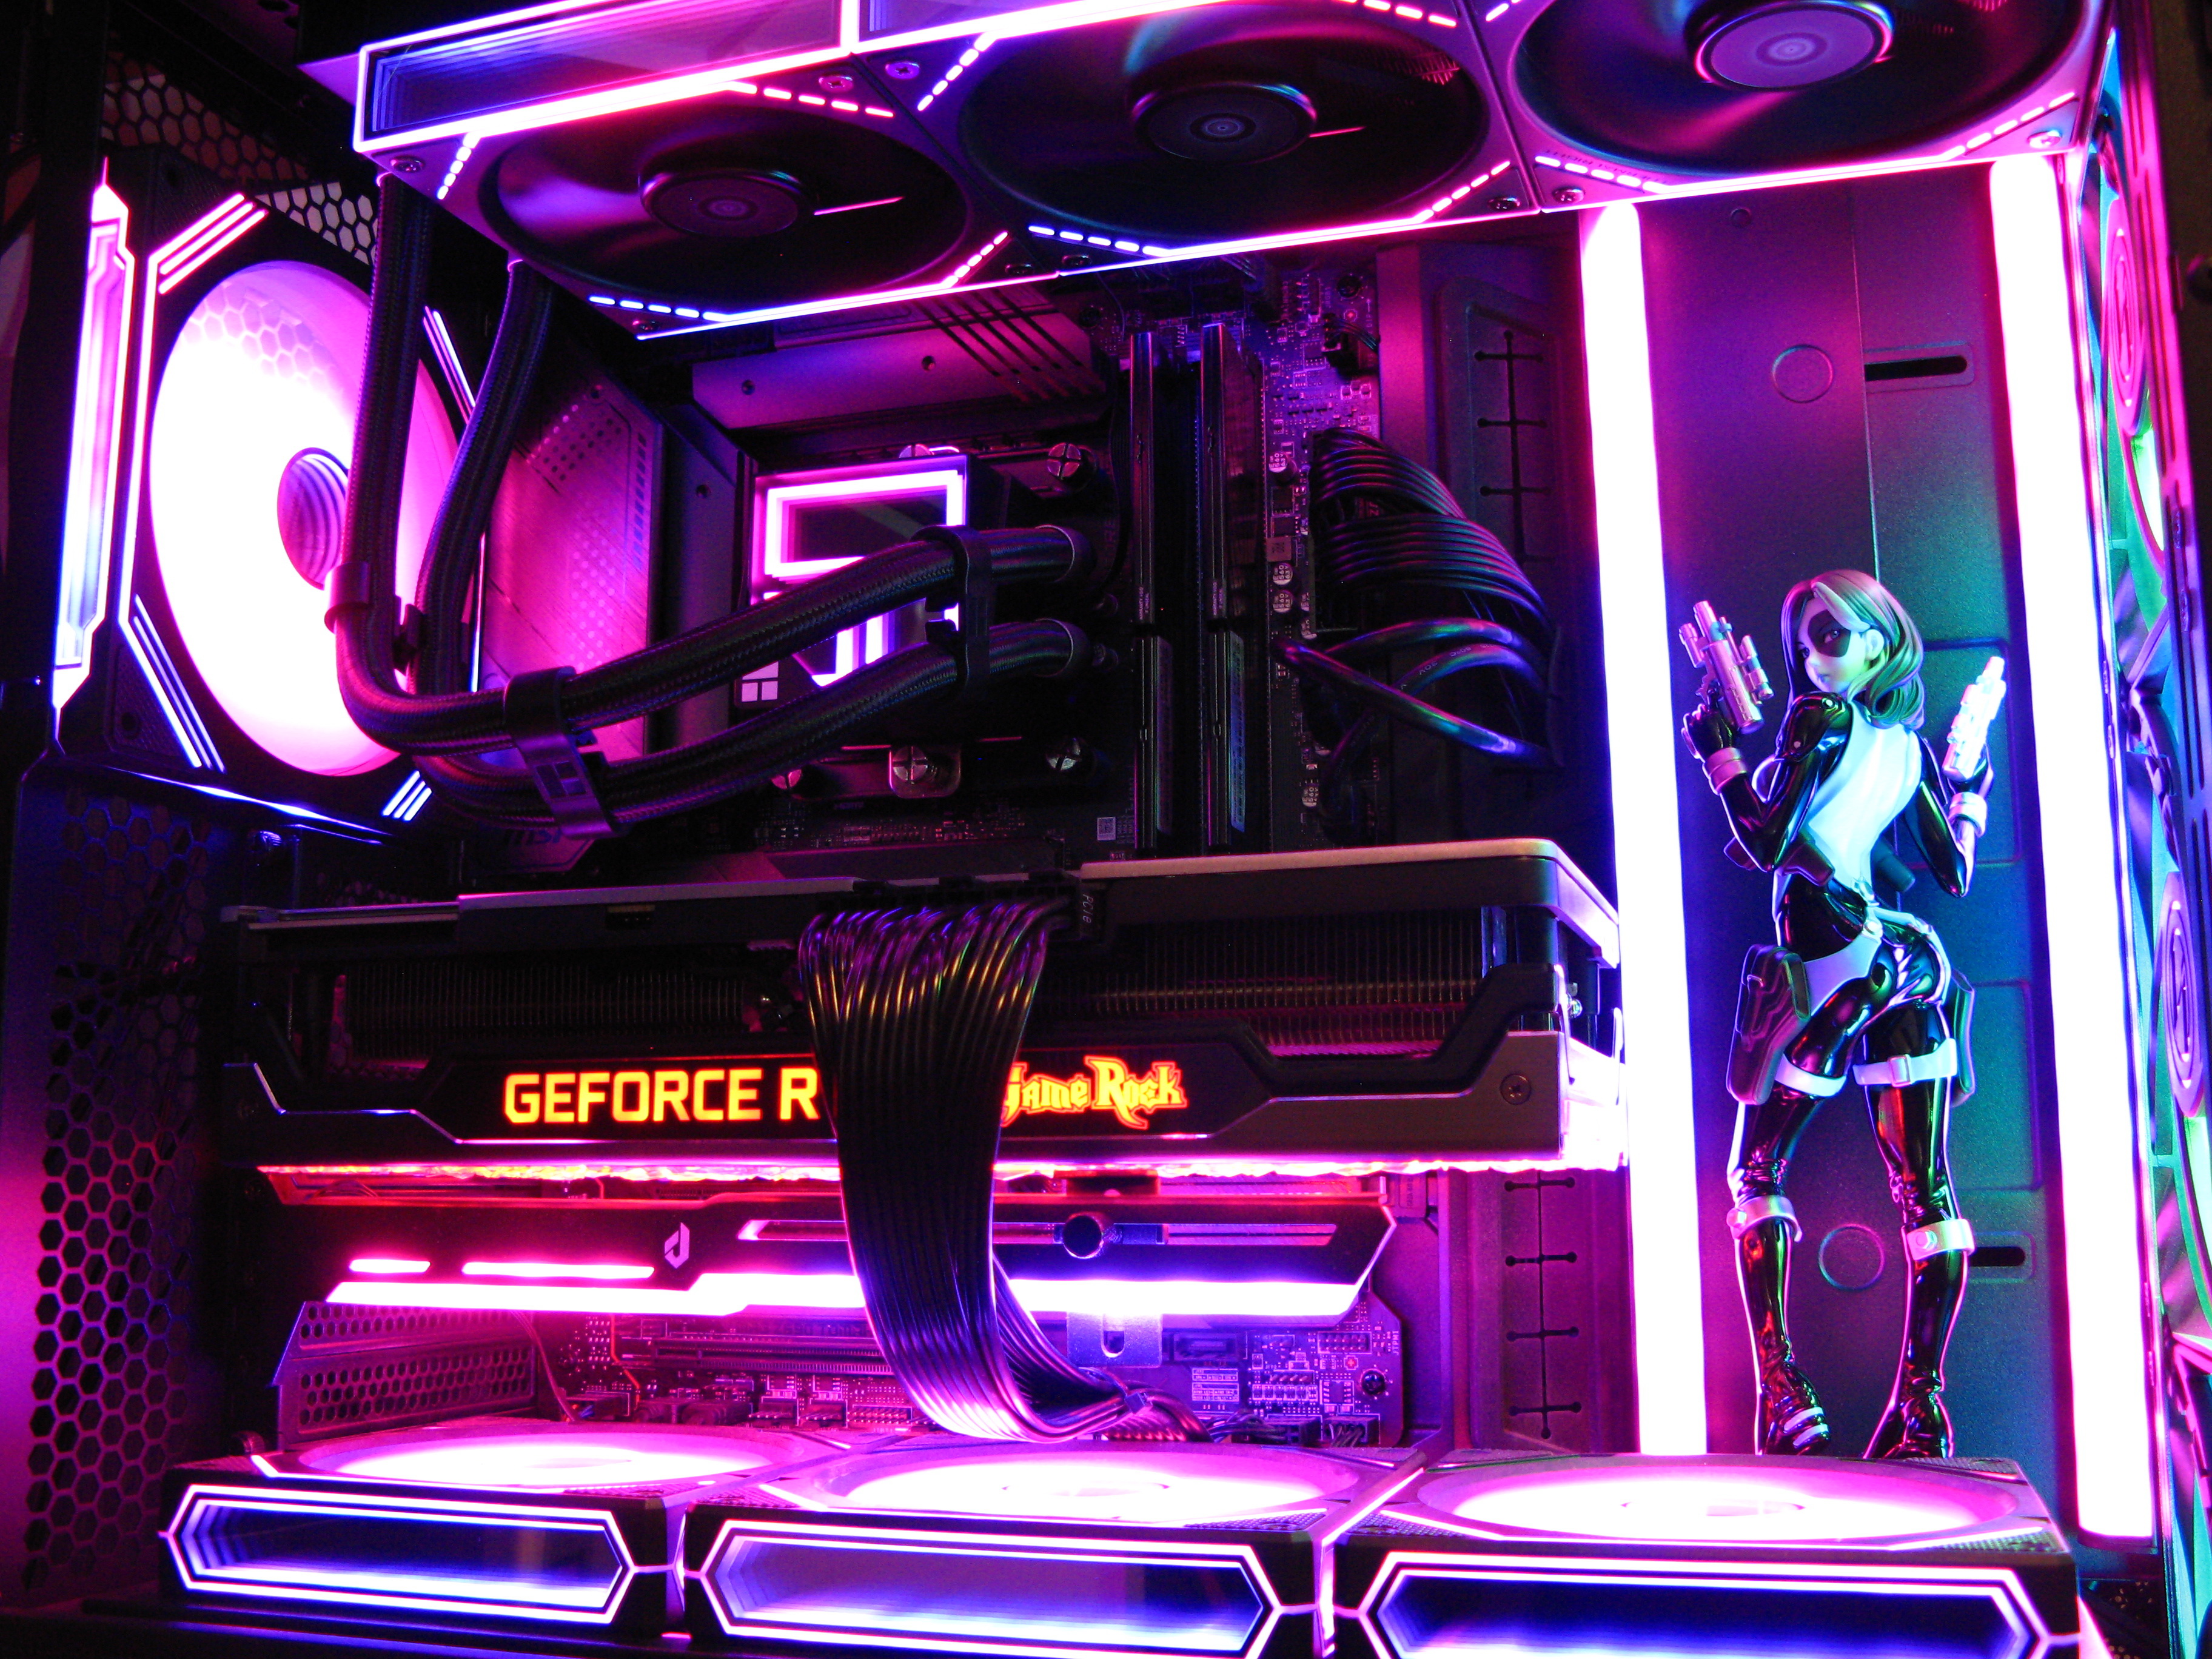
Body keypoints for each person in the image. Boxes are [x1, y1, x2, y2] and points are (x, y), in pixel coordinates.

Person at [1681, 569, 1991, 1458]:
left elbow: (1765, 840)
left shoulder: (1819, 720)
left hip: (1838, 961)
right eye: (1805, 641)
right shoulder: (1905, 749)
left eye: (1831, 636)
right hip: (1907, 958)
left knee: (1755, 1172)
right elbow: (1954, 871)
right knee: (1927, 1189)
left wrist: (1718, 756)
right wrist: (1970, 785)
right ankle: (1921, 1409)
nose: (1814, 656)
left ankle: (1784, 1393)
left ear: (1878, 641)